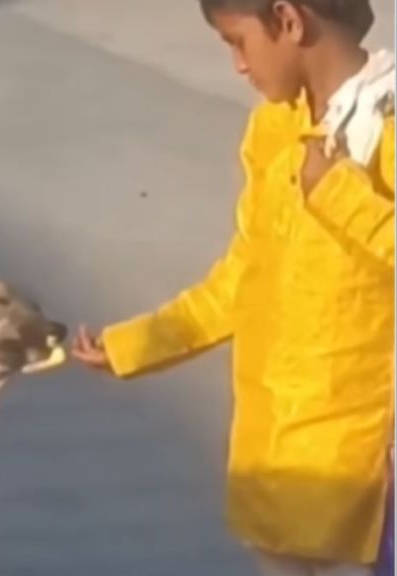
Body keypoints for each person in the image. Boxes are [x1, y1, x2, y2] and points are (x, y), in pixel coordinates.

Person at [73, 1, 394, 574]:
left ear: (289, 20)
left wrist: (340, 195)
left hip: (365, 481)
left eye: (238, 42)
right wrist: (139, 343)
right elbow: (244, 277)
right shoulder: (275, 130)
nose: (238, 66)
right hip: (277, 471)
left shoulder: (385, 129)